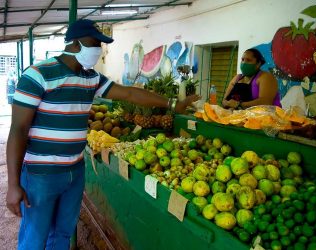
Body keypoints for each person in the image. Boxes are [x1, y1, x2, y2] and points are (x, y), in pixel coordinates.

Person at [6, 19, 199, 250]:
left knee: (62, 234)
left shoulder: (91, 78)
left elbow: (128, 94)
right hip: (41, 174)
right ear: (75, 43)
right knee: (35, 238)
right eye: (95, 43)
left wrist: (171, 103)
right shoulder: (38, 75)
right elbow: (17, 130)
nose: (99, 50)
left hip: (74, 171)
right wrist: (13, 183)